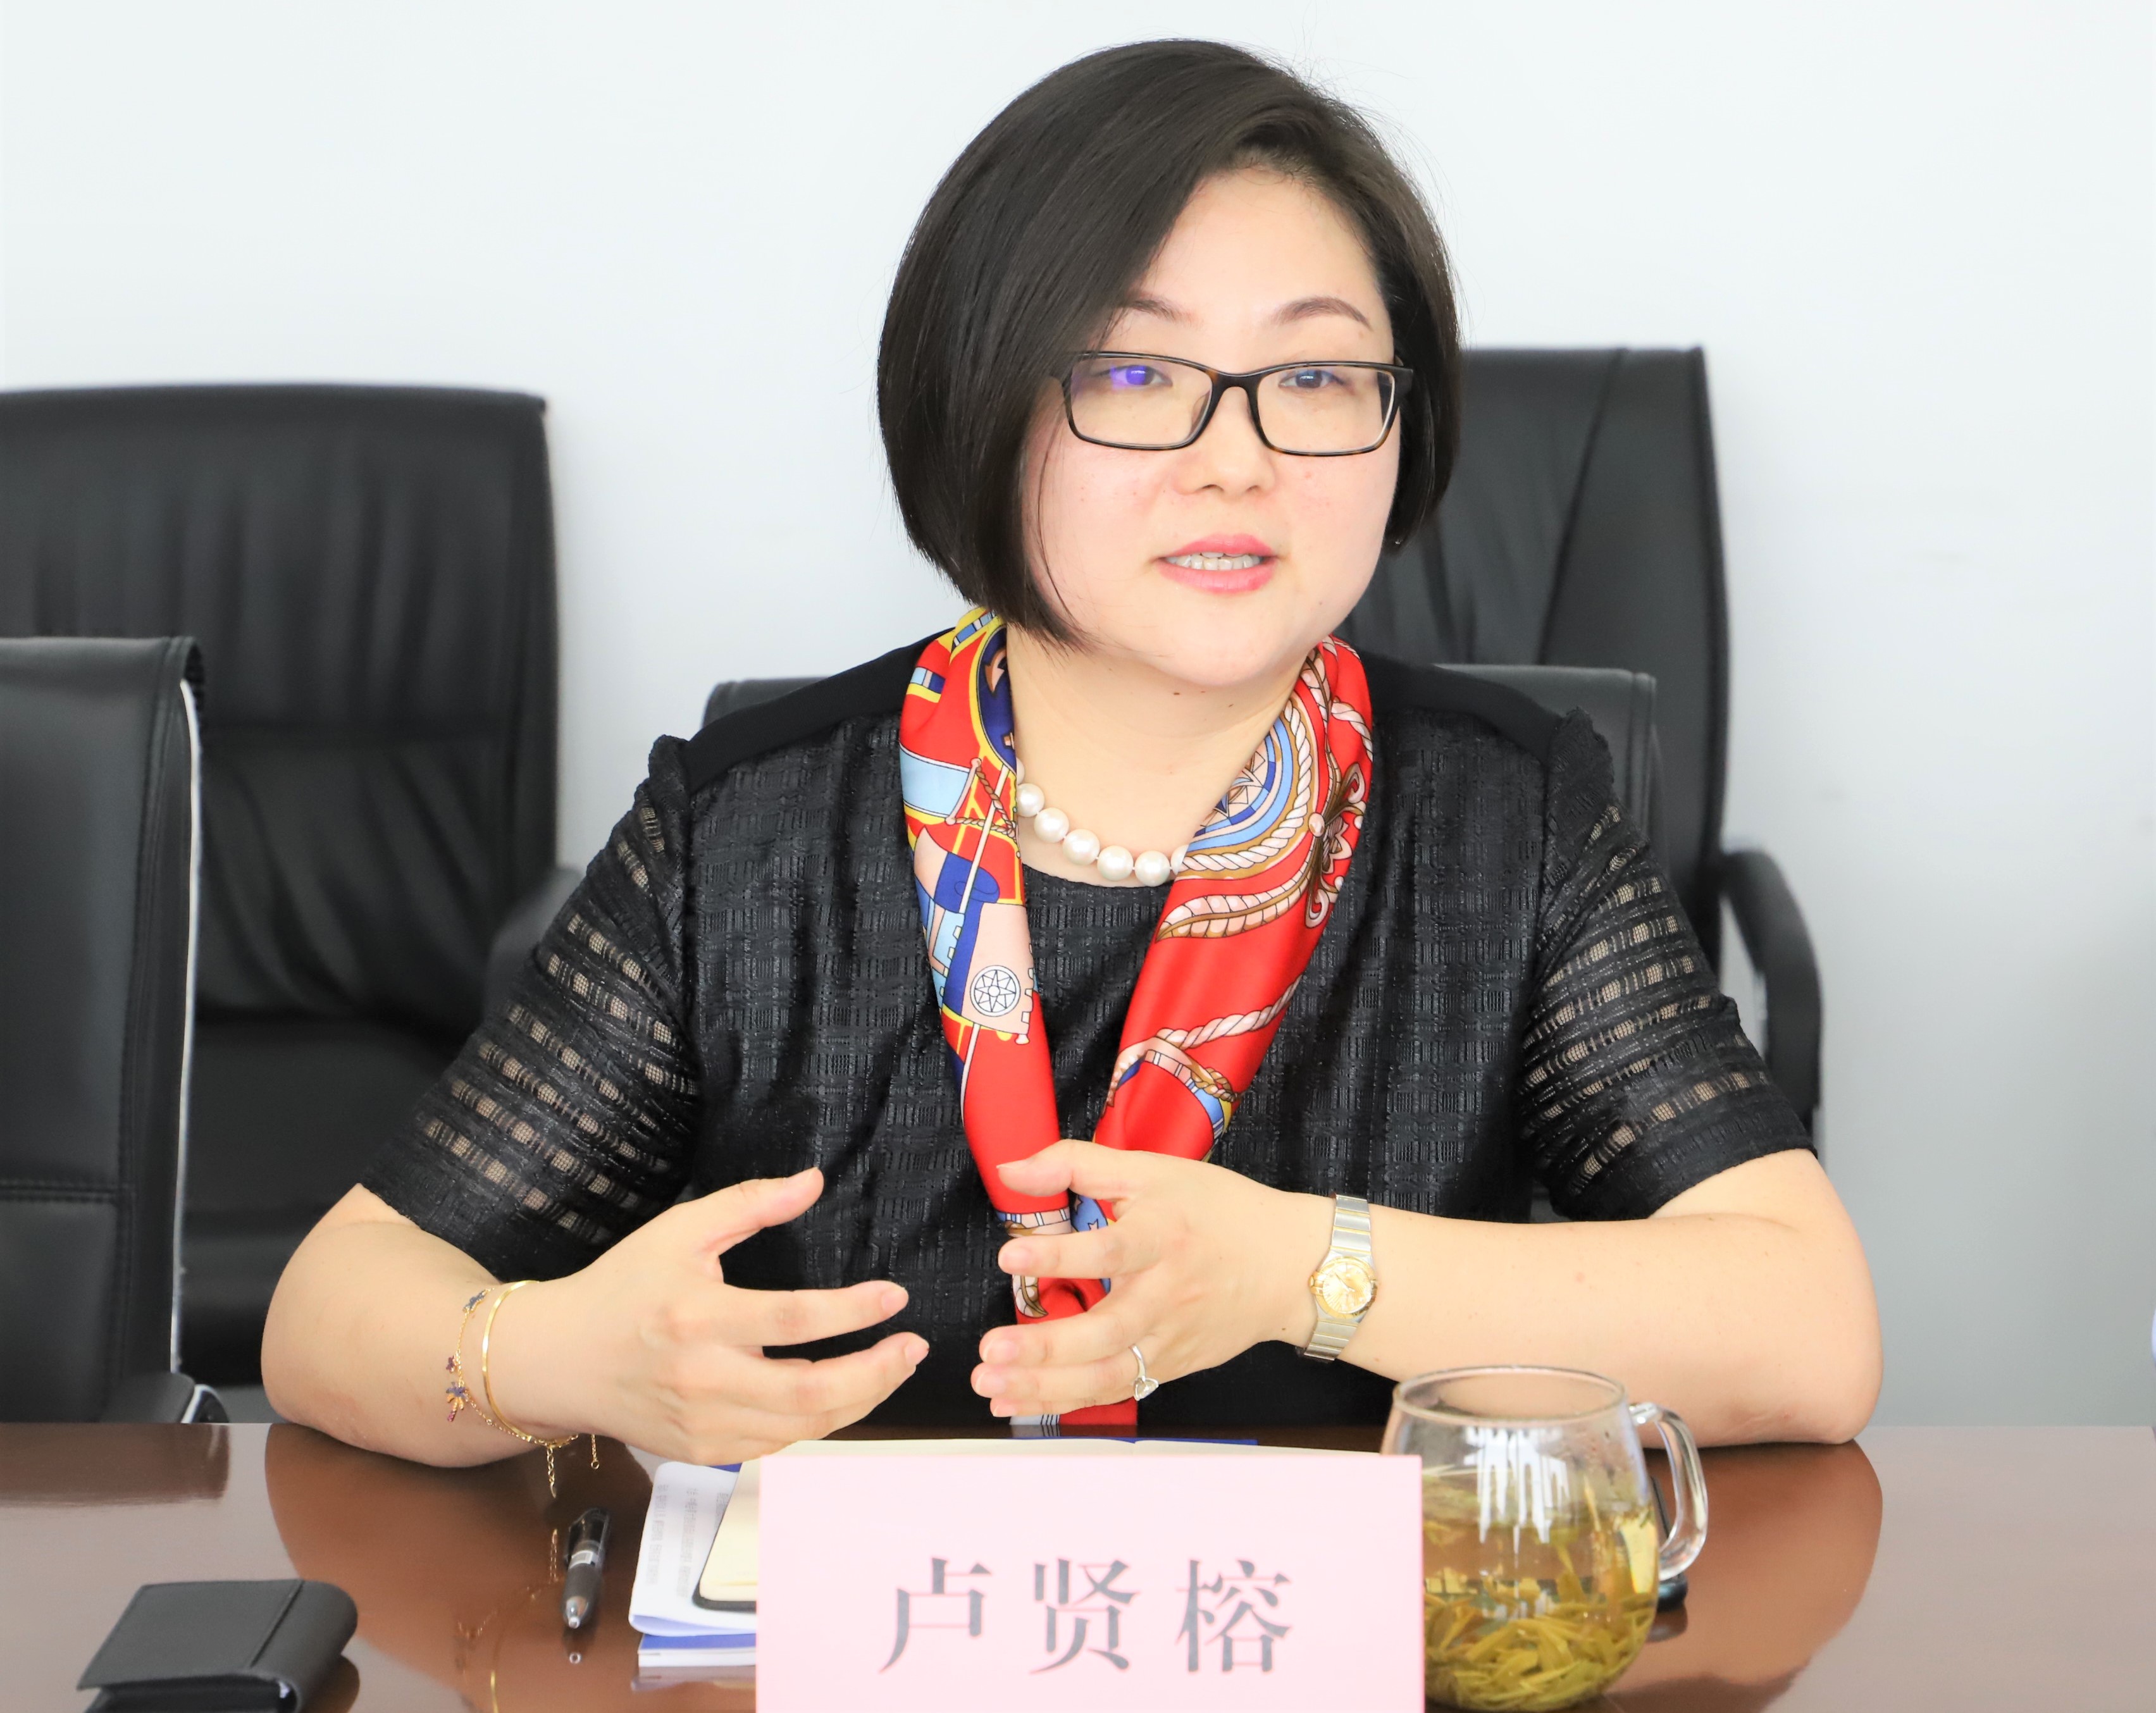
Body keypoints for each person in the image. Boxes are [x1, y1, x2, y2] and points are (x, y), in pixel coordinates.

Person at [264, 39, 1880, 1469]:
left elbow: (1807, 1329)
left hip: (1324, 1650)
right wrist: (559, 1358)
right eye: (1132, 372)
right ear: (982, 401)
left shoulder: (1507, 818)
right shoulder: (746, 835)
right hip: (866, 1648)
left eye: (1318, 376)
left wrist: (1309, 1268)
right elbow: (334, 1310)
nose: (1235, 459)